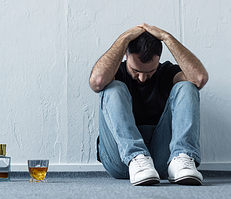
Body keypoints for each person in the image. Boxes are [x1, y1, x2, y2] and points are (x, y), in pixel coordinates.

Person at [89, 23, 209, 186]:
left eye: (149, 72)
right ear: (126, 55)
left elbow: (199, 79)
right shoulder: (116, 71)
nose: (142, 78)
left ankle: (182, 158)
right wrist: (124, 38)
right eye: (136, 71)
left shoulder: (166, 72)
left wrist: (167, 38)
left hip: (162, 162)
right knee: (112, 87)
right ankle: (135, 157)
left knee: (187, 85)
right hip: (121, 162)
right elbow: (97, 82)